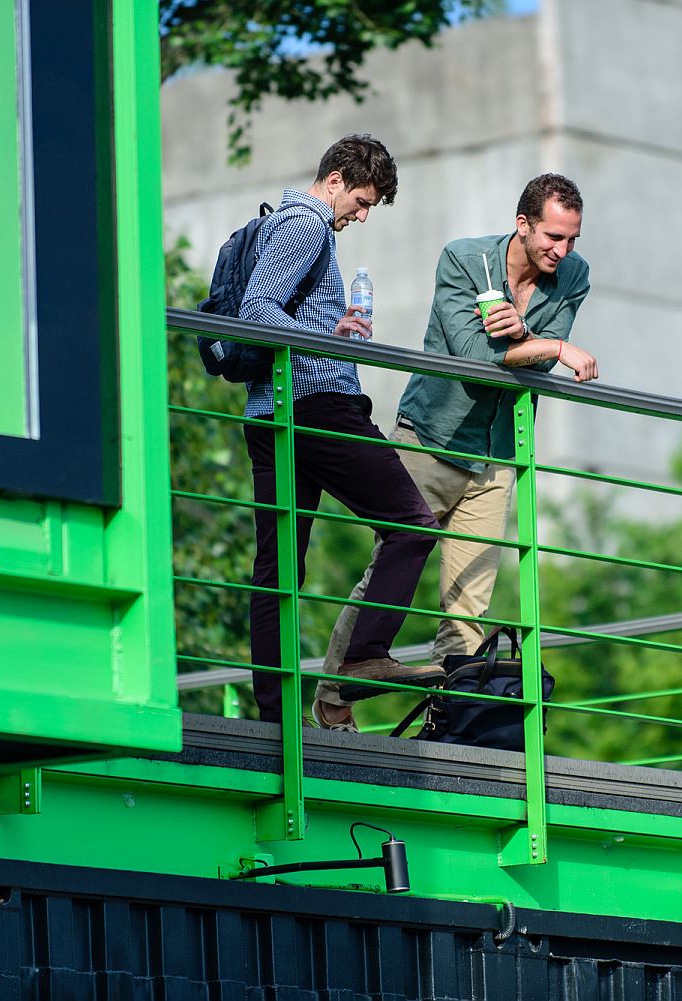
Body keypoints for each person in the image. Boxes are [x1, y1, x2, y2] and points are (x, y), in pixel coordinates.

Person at [316, 173, 598, 730]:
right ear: (522, 225)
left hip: (496, 455)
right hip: (432, 437)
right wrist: (551, 344)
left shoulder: (574, 277)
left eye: (571, 240)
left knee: (469, 604)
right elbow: (473, 354)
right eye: (552, 237)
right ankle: (332, 700)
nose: (562, 252)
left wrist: (527, 343)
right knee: (387, 567)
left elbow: (532, 366)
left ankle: (449, 727)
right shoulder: (465, 260)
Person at [239, 134, 445, 725]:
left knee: (279, 571)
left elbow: (276, 309)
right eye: (358, 200)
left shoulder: (288, 223)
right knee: (411, 525)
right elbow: (259, 311)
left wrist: (332, 332)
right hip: (317, 408)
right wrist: (321, 348)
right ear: (333, 181)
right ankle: (363, 656)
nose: (360, 214)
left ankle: (276, 722)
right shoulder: (307, 224)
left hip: (275, 413)